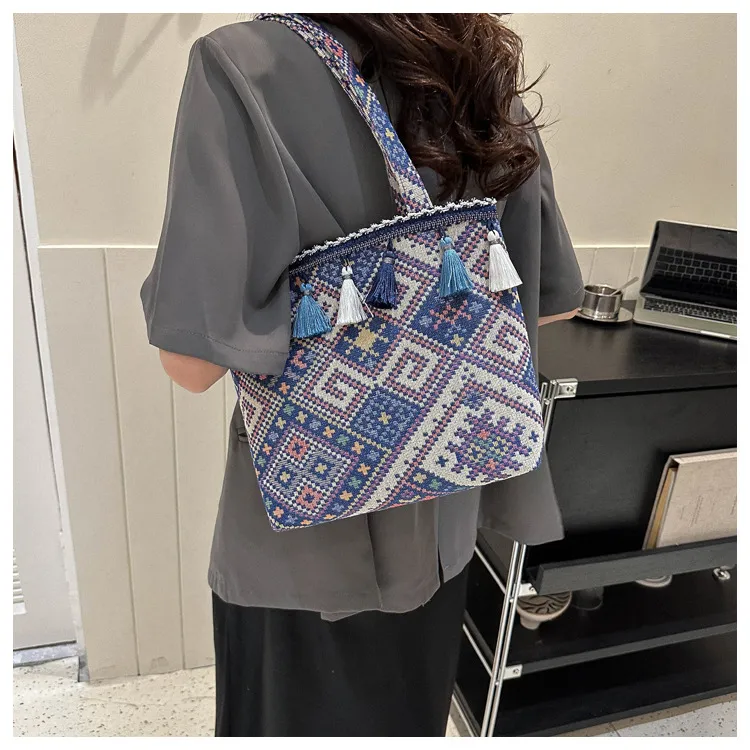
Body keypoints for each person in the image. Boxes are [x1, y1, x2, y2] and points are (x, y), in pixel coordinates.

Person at [140, 13, 583, 737]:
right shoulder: (481, 62)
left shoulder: (242, 63)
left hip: (306, 542)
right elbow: (552, 303)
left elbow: (190, 365)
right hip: (448, 510)